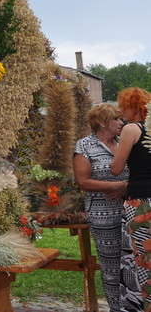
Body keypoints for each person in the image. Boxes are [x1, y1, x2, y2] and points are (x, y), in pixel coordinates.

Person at [73, 103, 128, 312]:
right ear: (103, 122)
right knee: (112, 266)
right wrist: (118, 186)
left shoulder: (125, 142)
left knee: (134, 262)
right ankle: (116, 308)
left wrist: (127, 189)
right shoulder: (85, 145)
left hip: (131, 213)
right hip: (103, 216)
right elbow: (83, 181)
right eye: (116, 119)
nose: (121, 123)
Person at [111, 87, 151, 312]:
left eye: (122, 105)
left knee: (145, 260)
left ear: (133, 107)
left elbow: (117, 168)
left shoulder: (131, 129)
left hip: (141, 203)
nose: (119, 110)